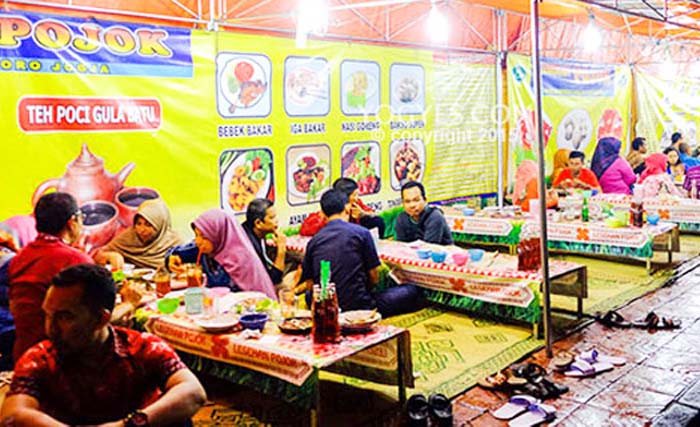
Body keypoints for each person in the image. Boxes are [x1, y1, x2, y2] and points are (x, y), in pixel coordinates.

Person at [1, 264, 206, 426]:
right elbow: (12, 414)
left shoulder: (143, 348)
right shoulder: (40, 359)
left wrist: (129, 424)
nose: (50, 328)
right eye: (48, 315)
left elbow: (193, 392)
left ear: (101, 318)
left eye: (64, 317)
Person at [298, 190, 421, 317]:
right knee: (411, 290)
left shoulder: (314, 241)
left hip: (327, 306)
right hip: (361, 306)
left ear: (322, 213)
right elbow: (374, 277)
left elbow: (310, 285)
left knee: (308, 296)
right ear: (347, 208)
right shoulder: (361, 233)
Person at [8, 192, 93, 363]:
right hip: (57, 360)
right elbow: (95, 318)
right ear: (72, 221)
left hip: (23, 353)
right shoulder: (76, 260)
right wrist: (131, 303)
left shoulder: (20, 257)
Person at [167, 209, 277, 299]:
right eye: (196, 235)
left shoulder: (241, 260)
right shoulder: (204, 248)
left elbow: (252, 300)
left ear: (217, 235)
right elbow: (175, 252)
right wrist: (171, 259)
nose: (198, 241)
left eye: (204, 236)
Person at [94, 199, 184, 270]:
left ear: (160, 225)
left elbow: (186, 270)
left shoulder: (175, 242)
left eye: (148, 225)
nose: (141, 230)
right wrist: (110, 256)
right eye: (138, 223)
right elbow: (97, 256)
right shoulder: (129, 236)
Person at [299, 178, 386, 238]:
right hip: (338, 235)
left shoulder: (356, 203)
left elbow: (372, 213)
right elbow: (305, 229)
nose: (357, 197)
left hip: (355, 231)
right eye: (354, 195)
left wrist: (363, 214)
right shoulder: (333, 208)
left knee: (377, 221)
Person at [241, 199, 287, 286]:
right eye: (272, 218)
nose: (276, 220)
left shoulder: (249, 230)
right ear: (258, 223)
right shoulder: (250, 245)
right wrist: (281, 249)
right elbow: (273, 280)